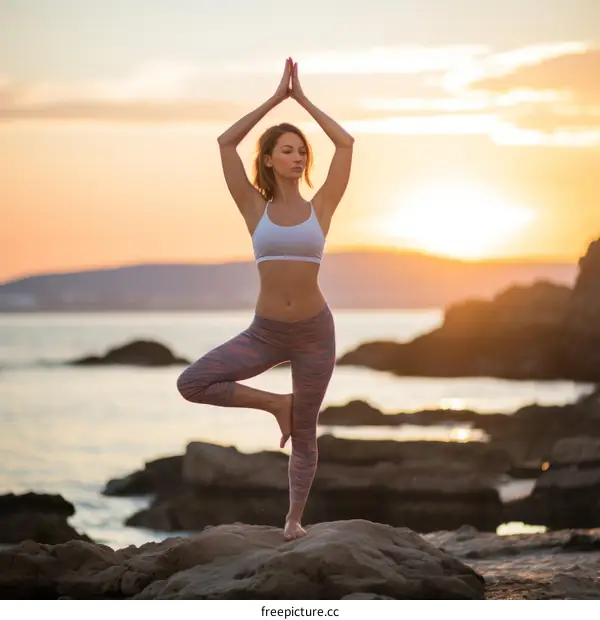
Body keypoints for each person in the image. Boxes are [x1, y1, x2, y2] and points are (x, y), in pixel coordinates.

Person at [176, 57, 354, 541]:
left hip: (315, 331)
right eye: (288, 151)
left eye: (302, 151)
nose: (298, 157)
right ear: (270, 158)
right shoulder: (256, 207)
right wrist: (275, 99)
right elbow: (225, 143)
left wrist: (304, 101)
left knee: (307, 430)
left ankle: (294, 520)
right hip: (266, 332)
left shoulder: (323, 206)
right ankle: (277, 403)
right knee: (192, 382)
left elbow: (346, 143)